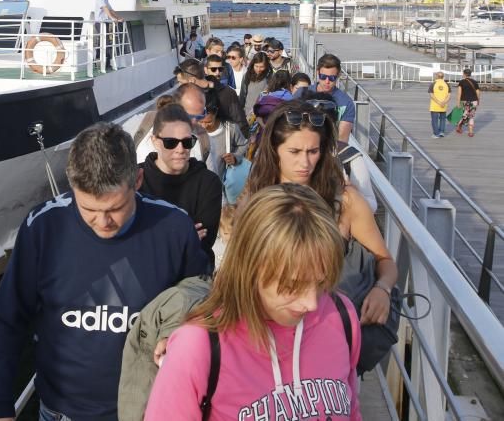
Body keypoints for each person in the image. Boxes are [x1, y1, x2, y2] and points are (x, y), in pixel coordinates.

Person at [0, 123, 208, 421]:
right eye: (88, 210)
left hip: (145, 409)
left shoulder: (175, 227)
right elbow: (7, 318)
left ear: (138, 179)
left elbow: (203, 303)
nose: (103, 222)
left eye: (116, 208)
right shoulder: (42, 226)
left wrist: (178, 333)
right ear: (72, 186)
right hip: (59, 411)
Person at [145, 183, 361, 420]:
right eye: (292, 286)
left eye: (321, 283)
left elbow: (352, 411)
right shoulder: (198, 346)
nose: (311, 303)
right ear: (251, 268)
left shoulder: (342, 316)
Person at [244, 101, 397, 328]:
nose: (305, 162)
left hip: (331, 326)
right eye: (294, 151)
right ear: (274, 150)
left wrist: (382, 289)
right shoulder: (254, 198)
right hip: (269, 328)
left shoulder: (347, 202)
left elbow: (385, 261)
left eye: (313, 151)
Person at [140, 103, 224, 269]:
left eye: (187, 142)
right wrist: (183, 236)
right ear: (155, 141)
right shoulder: (136, 178)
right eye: (171, 142)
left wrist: (153, 237)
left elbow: (203, 243)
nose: (180, 149)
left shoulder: (208, 182)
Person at [303, 53, 355, 142]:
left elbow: (342, 140)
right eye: (323, 77)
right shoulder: (301, 94)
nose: (327, 81)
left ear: (338, 76)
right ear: (317, 72)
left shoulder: (347, 103)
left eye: (332, 78)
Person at [197, 94, 247, 185]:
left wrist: (235, 157)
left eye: (208, 122)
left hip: (223, 185)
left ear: (216, 112)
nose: (204, 126)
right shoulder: (193, 131)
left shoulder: (230, 128)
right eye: (200, 122)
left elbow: (244, 145)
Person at [203, 54, 249, 137]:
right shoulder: (197, 91)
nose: (217, 72)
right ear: (205, 70)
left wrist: (245, 138)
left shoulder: (229, 92)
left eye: (220, 69)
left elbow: (239, 119)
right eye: (213, 69)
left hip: (223, 136)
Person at [239, 51, 271, 118]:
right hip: (248, 113)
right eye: (256, 66)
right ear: (253, 64)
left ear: (266, 66)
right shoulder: (247, 76)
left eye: (262, 67)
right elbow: (243, 95)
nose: (259, 69)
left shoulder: (270, 77)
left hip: (263, 114)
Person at [455, 67, 480, 137]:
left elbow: (459, 93)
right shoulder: (475, 82)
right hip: (474, 101)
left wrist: (458, 102)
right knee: (471, 116)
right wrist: (478, 100)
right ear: (470, 74)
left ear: (464, 74)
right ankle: (471, 132)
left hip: (464, 101)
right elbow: (478, 92)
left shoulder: (462, 82)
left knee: (464, 114)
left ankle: (459, 125)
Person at [429, 71, 450, 138]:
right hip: (443, 105)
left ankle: (436, 134)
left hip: (435, 105)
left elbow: (431, 95)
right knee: (442, 119)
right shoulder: (446, 84)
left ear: (437, 76)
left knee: (434, 120)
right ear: (443, 77)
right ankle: (442, 132)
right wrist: (443, 102)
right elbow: (449, 95)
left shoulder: (433, 84)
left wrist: (438, 102)